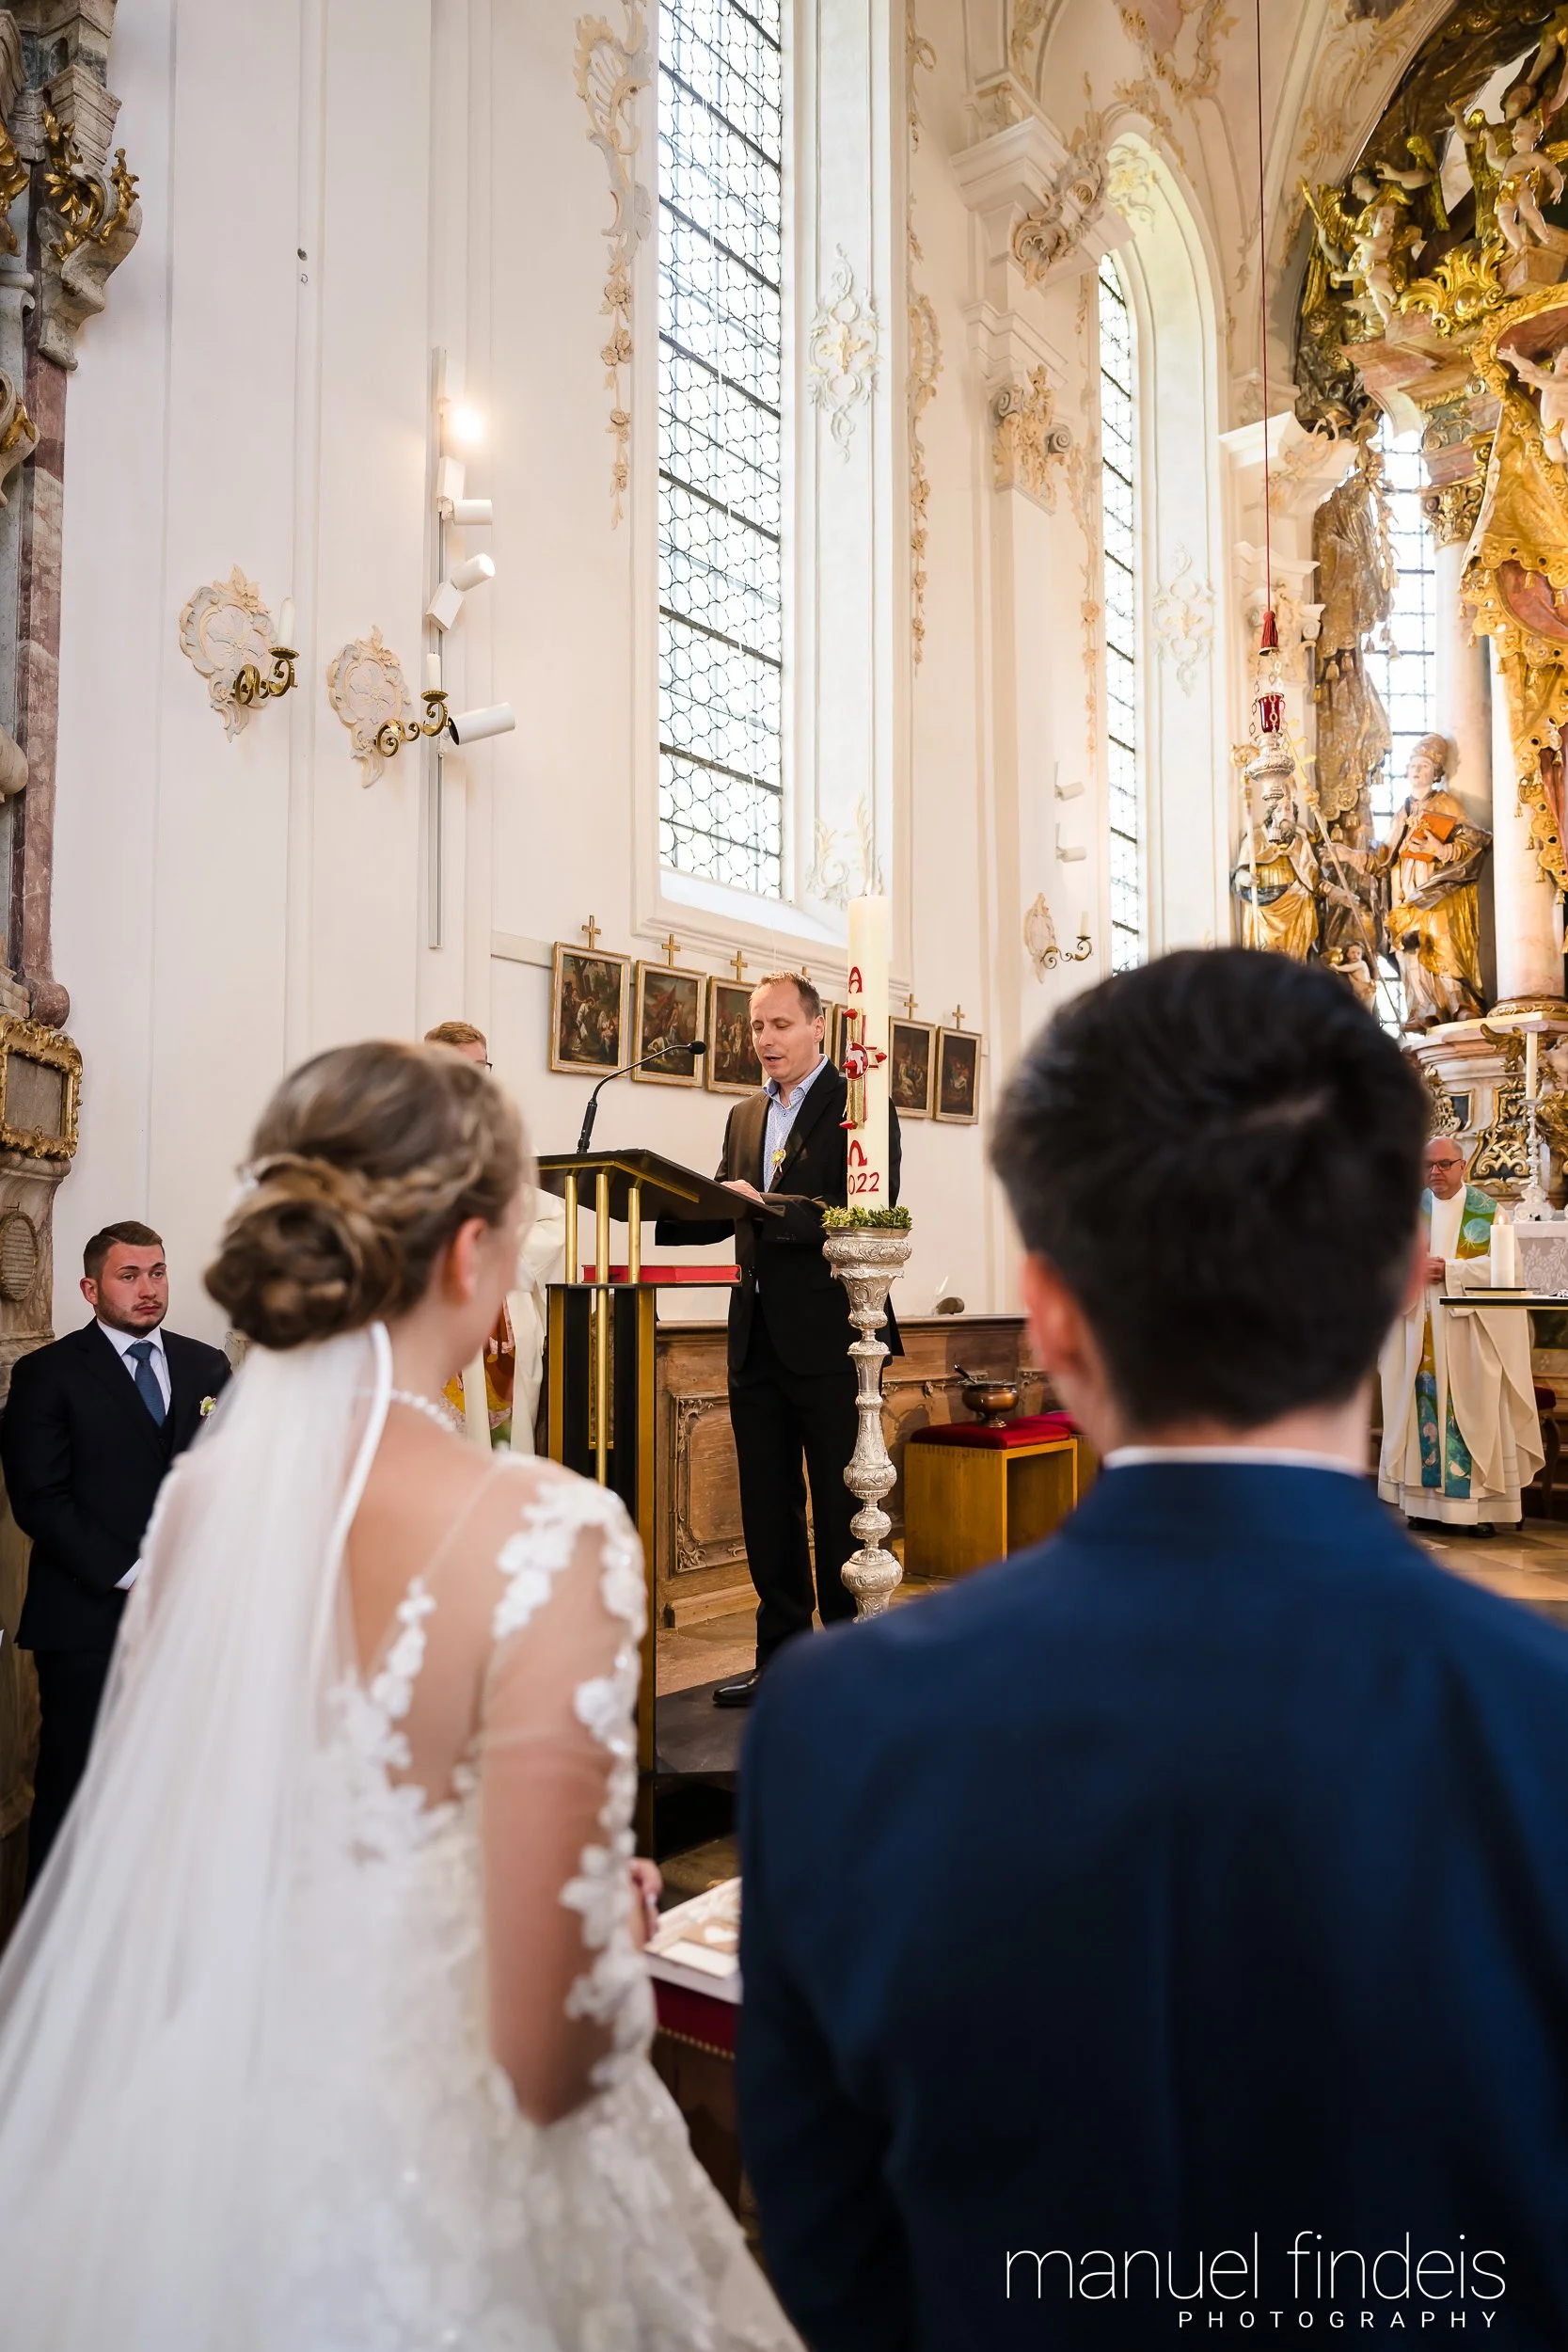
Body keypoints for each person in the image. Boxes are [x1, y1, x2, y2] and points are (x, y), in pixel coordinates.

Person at [738, 949, 1568, 2349]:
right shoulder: (1539, 1725)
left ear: (1047, 1312)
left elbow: (830, 2267)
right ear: (1404, 1288)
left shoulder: (835, 1721)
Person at [0, 1042, 799, 2349]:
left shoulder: (201, 1504)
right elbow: (547, 2066)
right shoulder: (552, 1530)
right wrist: (594, 1918)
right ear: (467, 1255)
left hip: (203, 2127)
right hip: (434, 2175)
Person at [662, 972, 902, 1708]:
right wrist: (646, 1199)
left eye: (778, 1025)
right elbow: (719, 1203)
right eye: (756, 1027)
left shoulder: (857, 1106)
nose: (764, 1039)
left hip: (834, 1336)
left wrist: (765, 1206)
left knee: (839, 1508)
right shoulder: (743, 1116)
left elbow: (862, 1212)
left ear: (817, 1027)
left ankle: (854, 1661)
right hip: (755, 1337)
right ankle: (783, 1661)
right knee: (767, 1508)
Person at [1, 1221, 230, 1886]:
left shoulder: (205, 1367)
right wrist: (135, 1574)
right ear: (90, 1287)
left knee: (177, 1783)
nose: (148, 1289)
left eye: (156, 1272)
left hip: (189, 1617)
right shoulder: (47, 1374)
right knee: (77, 1786)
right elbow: (40, 1498)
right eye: (129, 1276)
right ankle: (53, 1957)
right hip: (86, 1621)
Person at [1378, 1133, 1542, 1532]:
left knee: (1476, 1411)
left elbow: (1507, 1272)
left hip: (1472, 1331)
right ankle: (1422, 1506)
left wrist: (1450, 1271)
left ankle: (1478, 1513)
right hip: (1420, 1330)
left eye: (1444, 1164)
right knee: (1422, 1410)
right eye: (1428, 1165)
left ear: (1462, 1166)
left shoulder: (1490, 1214)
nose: (1435, 1172)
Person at [424, 1020, 564, 1452]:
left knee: (505, 1450)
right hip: (432, 1316)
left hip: (500, 1319)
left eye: (480, 1067)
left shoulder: (509, 1146)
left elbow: (554, 1223)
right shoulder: (401, 1145)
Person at [1373, 735, 1490, 1032]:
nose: (1416, 770)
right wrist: (1349, 856)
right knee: (1411, 946)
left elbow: (1473, 841)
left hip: (1437, 889)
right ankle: (1423, 1009)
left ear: (1435, 772)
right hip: (1405, 894)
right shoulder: (1402, 812)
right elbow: (1383, 858)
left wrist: (1441, 850)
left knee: (1444, 943)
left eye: (1423, 766)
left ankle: (1460, 1005)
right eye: (1412, 765)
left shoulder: (1445, 802)